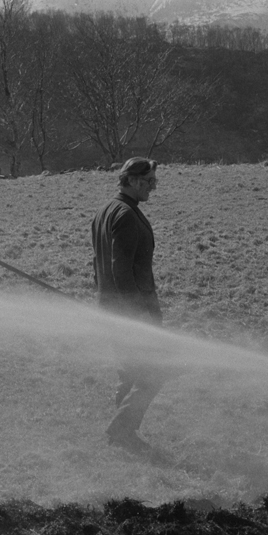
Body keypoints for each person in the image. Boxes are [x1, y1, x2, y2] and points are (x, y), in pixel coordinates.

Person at [90, 157, 165, 453]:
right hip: (128, 310)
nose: (153, 188)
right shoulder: (125, 216)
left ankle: (121, 437)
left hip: (110, 306)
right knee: (154, 371)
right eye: (148, 182)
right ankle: (121, 431)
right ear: (131, 180)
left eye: (154, 182)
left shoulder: (106, 210)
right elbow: (121, 271)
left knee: (131, 372)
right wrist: (139, 316)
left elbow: (99, 264)